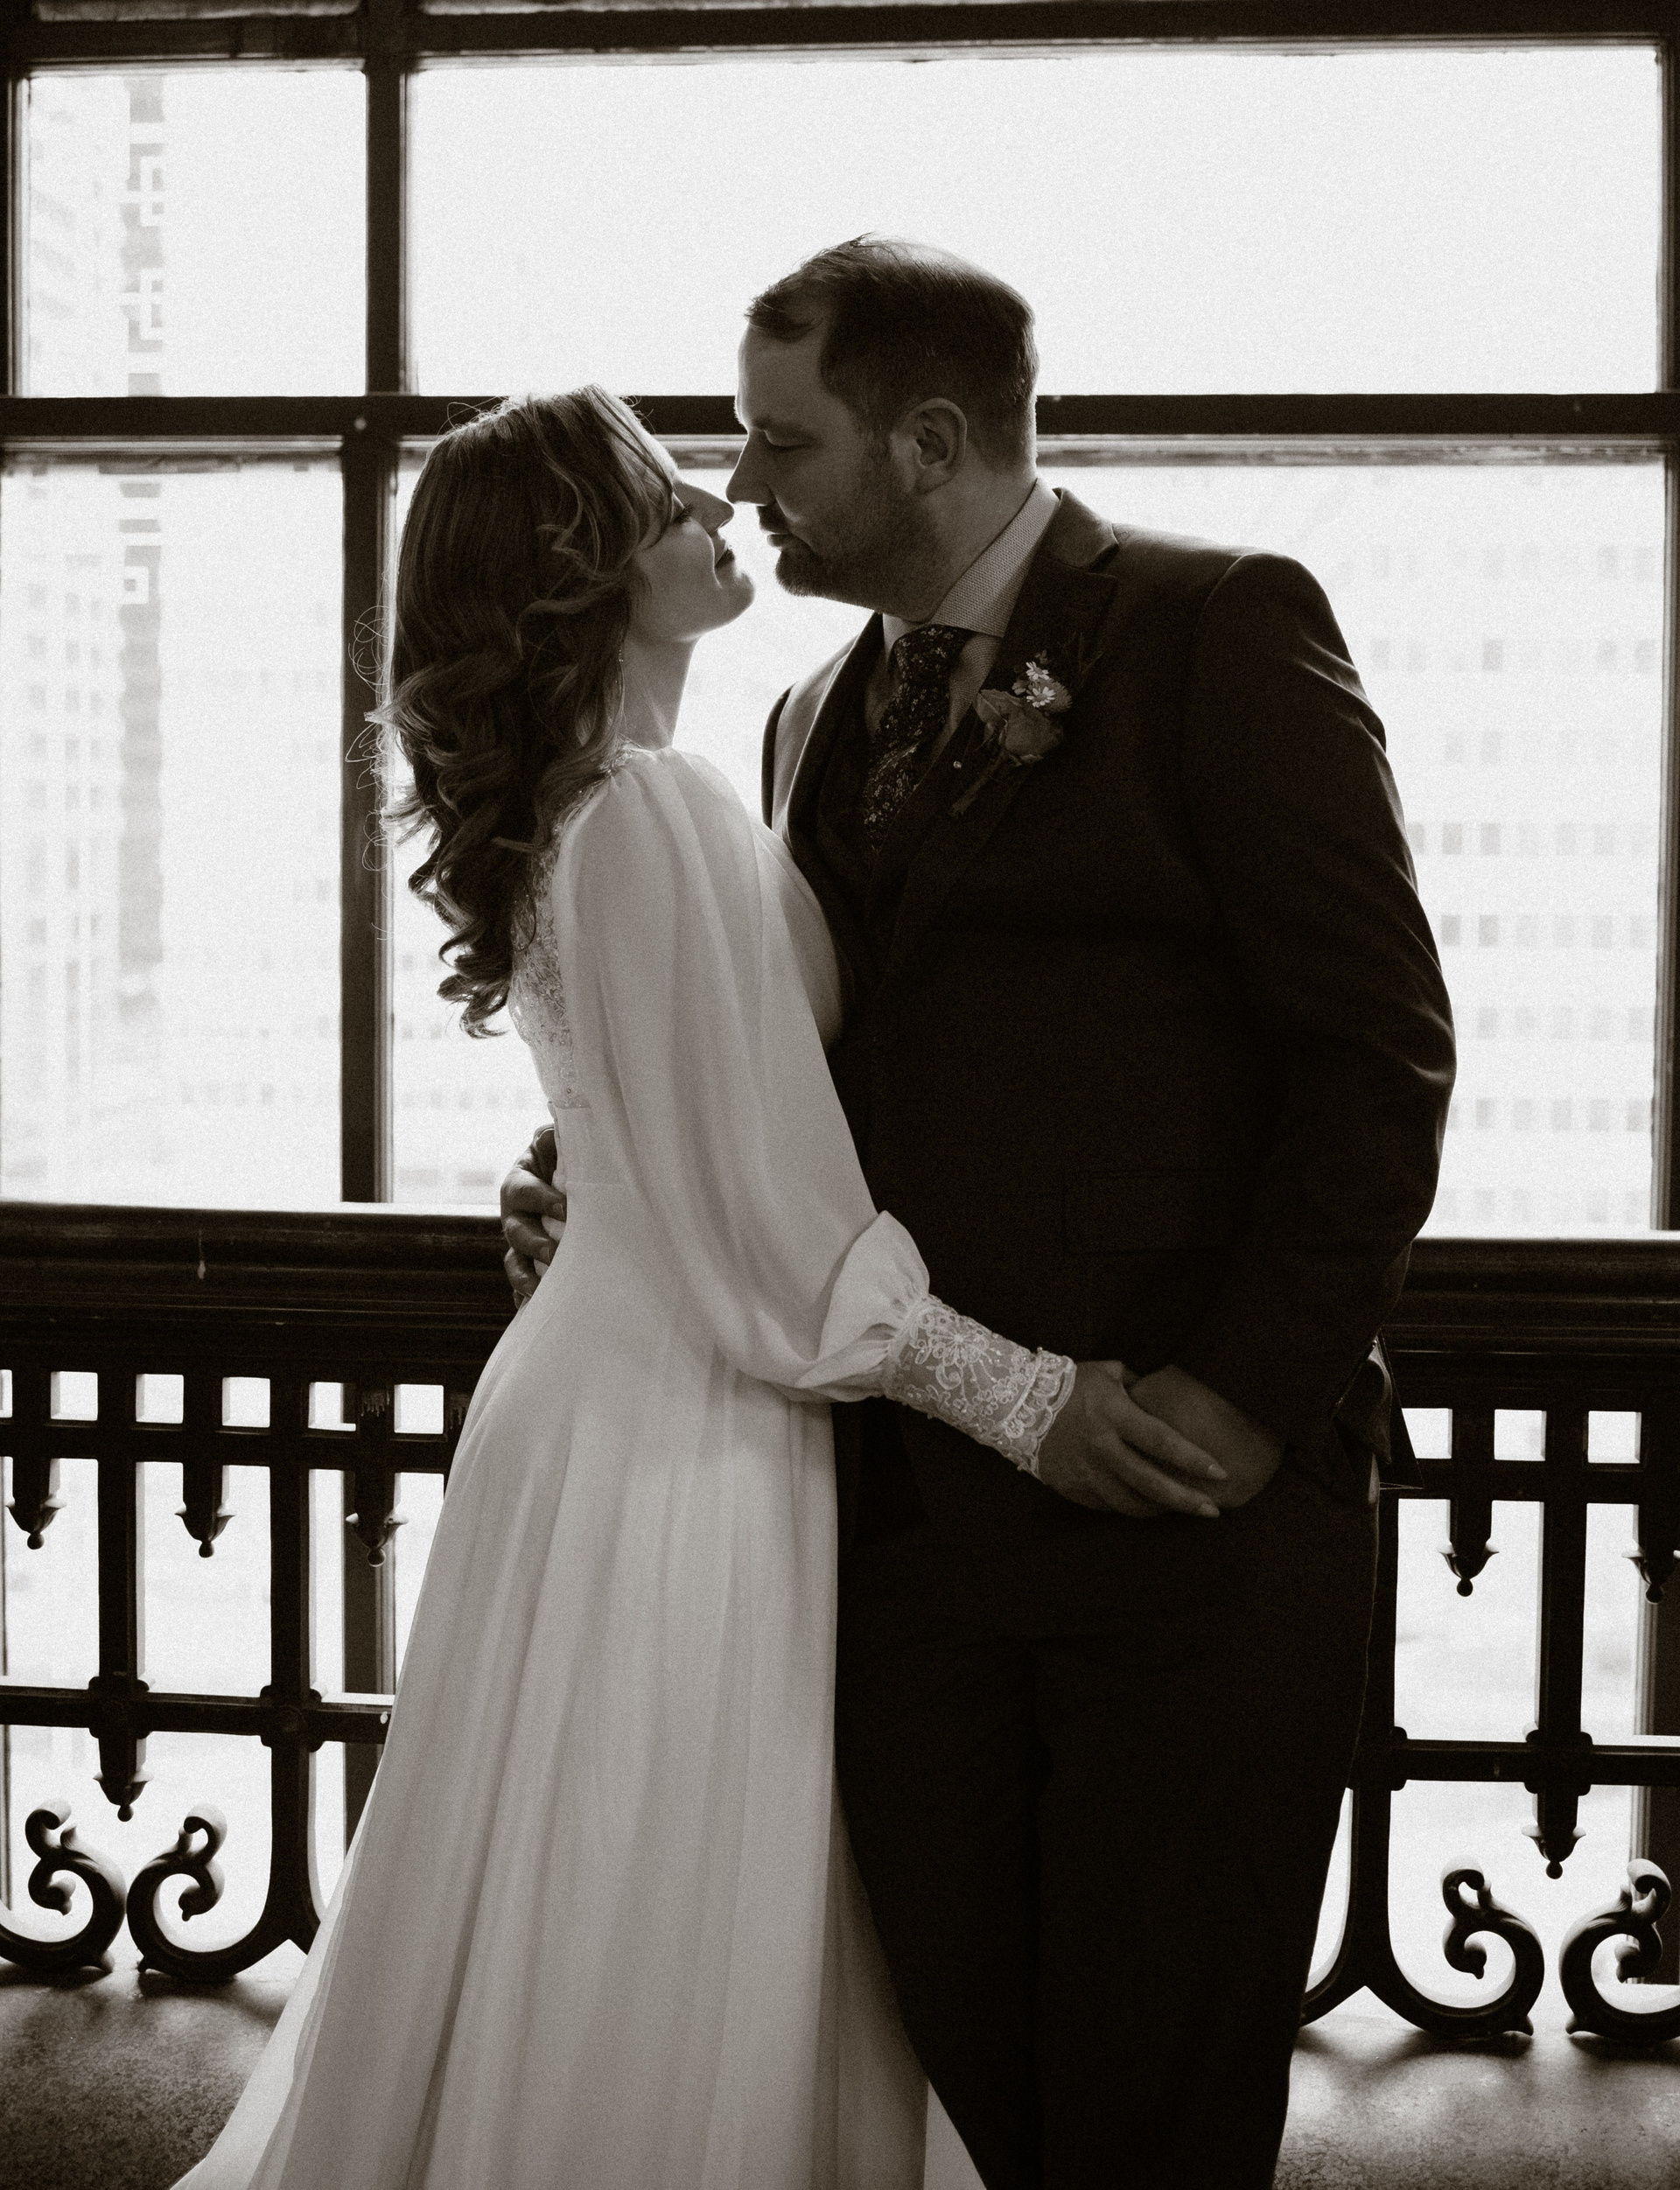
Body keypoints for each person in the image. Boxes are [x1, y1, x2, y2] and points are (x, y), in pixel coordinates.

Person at [172, 386, 1229, 2190]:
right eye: (667, 495)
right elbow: (763, 1219)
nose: (719, 506)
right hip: (680, 1416)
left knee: (604, 1864)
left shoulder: (628, 800)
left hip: (626, 1386)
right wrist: (1034, 1400)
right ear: (579, 568)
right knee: (645, 1863)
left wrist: (581, 1173)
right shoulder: (645, 807)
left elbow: (672, 1119)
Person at [502, 239, 1457, 2188]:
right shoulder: (804, 722)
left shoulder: (1219, 628)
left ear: (928, 443)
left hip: (1178, 1535)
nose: (744, 486)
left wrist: (1243, 1401)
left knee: (1150, 2113)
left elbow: (1378, 1053)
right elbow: (784, 1083)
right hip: (905, 1546)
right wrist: (603, 1168)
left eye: (784, 443)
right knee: (967, 2095)